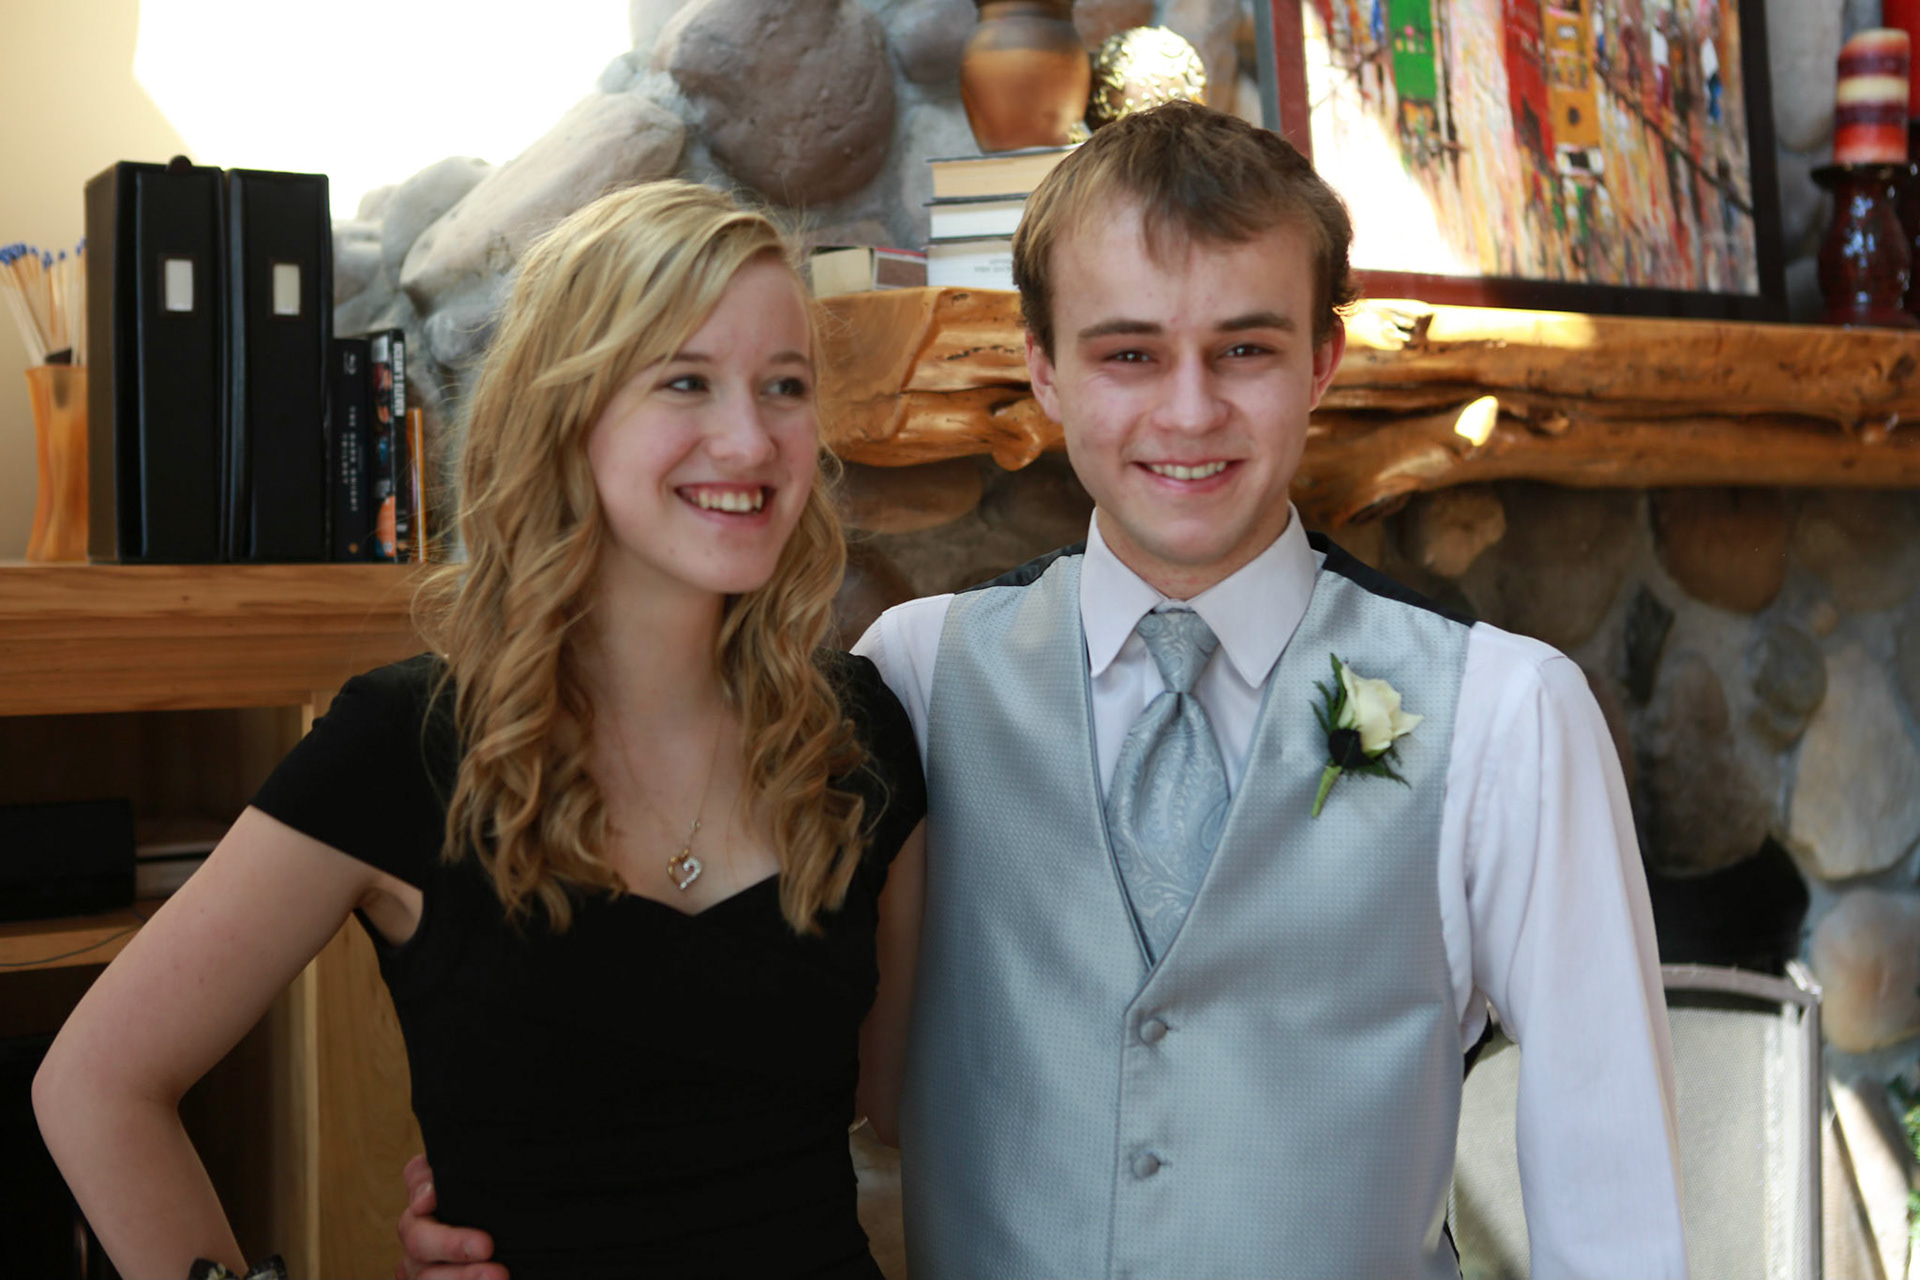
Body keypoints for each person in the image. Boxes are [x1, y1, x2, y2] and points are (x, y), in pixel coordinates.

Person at [401, 102, 1688, 1278]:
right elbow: (744, 1049)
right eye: (1130, 353)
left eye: (1244, 348)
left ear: (1322, 361)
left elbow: (1614, 1207)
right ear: (1046, 370)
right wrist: (529, 1189)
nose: (1189, 410)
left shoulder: (1510, 714)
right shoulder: (911, 677)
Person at [33, 179, 927, 1280]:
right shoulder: (403, 745)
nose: (749, 438)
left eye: (784, 386)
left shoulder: (863, 736)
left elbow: (903, 1102)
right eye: (685, 380)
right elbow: (95, 1083)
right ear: (567, 414)